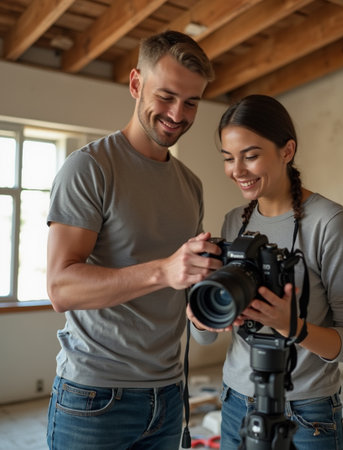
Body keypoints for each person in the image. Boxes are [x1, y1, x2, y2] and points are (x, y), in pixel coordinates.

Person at [46, 30, 221, 450]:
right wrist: (164, 269)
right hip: (95, 398)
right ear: (136, 84)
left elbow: (182, 287)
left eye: (192, 102)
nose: (178, 114)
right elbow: (59, 287)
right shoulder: (89, 169)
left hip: (169, 397)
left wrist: (210, 307)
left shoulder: (190, 185)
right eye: (166, 96)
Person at [188, 94, 343, 449]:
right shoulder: (233, 222)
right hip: (236, 402)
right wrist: (199, 311)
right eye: (228, 158)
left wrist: (295, 328)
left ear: (287, 151)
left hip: (307, 411)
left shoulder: (329, 223)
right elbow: (205, 337)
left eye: (251, 156)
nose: (237, 171)